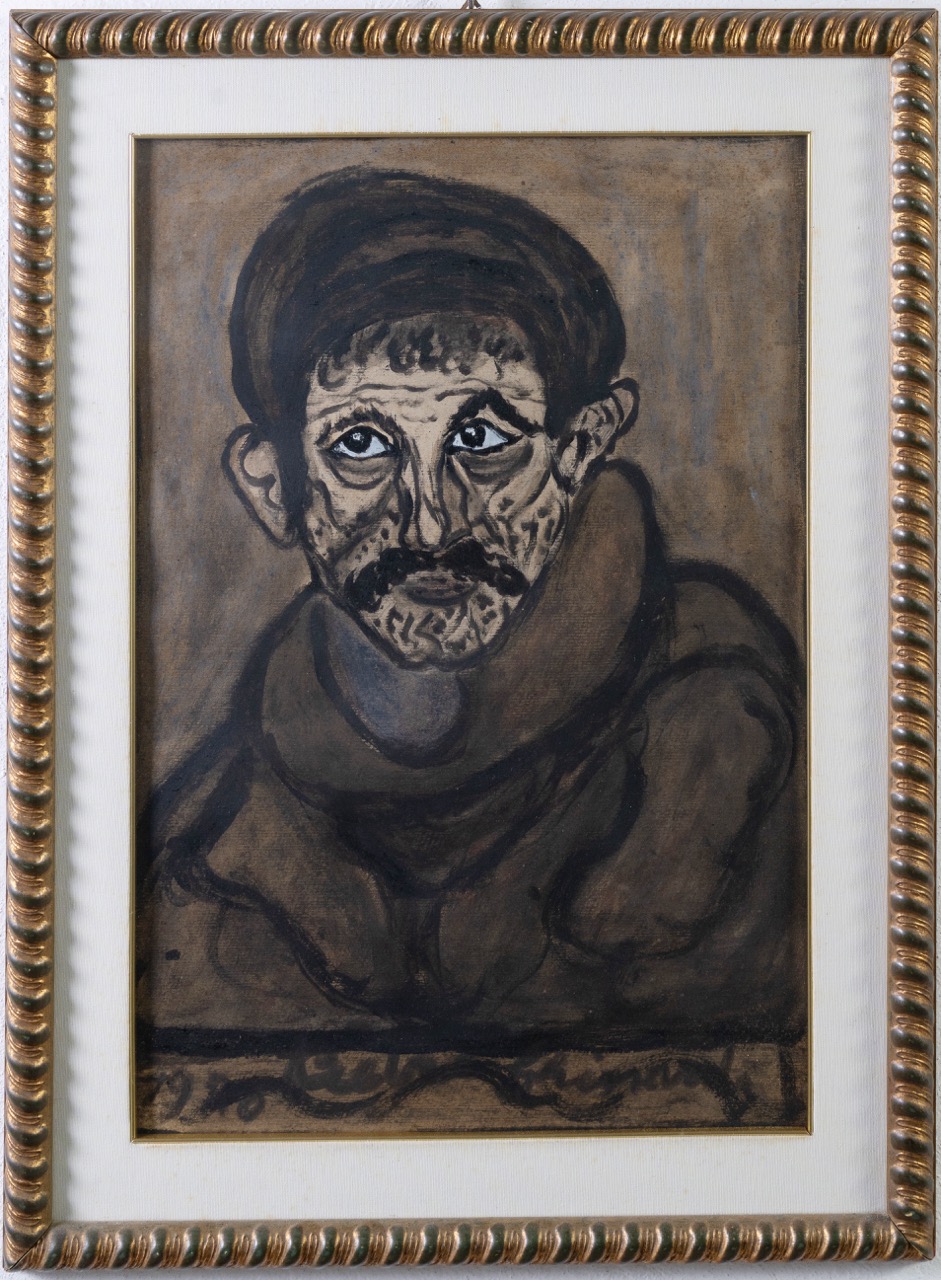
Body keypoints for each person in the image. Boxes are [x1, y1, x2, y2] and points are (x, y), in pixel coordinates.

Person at [136, 169, 805, 1125]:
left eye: (483, 438)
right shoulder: (203, 847)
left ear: (579, 450)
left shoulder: (732, 730)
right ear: (273, 486)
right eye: (360, 447)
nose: (430, 521)